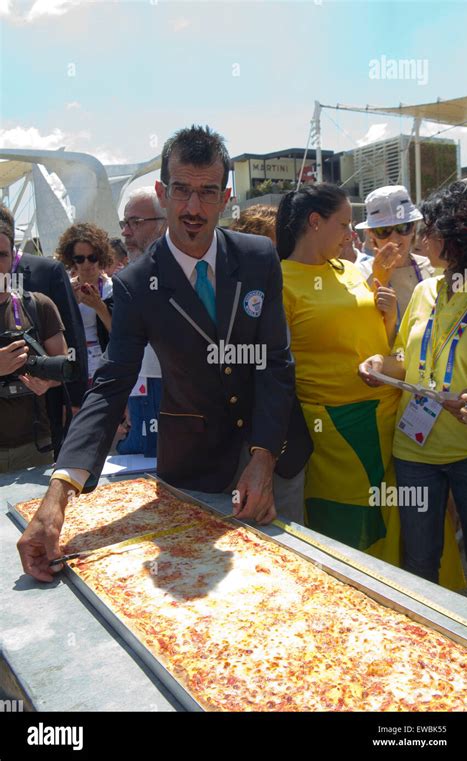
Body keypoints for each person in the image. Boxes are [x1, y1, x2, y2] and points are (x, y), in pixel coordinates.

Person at [17, 124, 312, 582]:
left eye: (207, 192)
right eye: (181, 191)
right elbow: (112, 383)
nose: (193, 208)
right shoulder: (137, 285)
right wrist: (58, 492)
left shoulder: (258, 257)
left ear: (225, 196)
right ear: (162, 190)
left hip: (274, 449)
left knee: (284, 583)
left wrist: (264, 457)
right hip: (195, 462)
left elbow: (274, 362)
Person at [359, 179, 467, 594]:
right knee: (419, 560)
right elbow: (409, 362)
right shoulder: (426, 290)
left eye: (428, 229)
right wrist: (381, 363)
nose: (418, 237)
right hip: (414, 451)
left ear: (457, 237)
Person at [276, 184, 401, 563]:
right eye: (344, 224)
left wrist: (390, 312)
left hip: (388, 421)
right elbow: (277, 368)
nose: (351, 235)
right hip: (334, 432)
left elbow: (375, 336)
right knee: (348, 533)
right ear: (315, 222)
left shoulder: (349, 270)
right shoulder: (280, 281)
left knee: (391, 526)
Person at [0, 204, 88, 458]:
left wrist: (72, 397)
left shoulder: (39, 295)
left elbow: (71, 339)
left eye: (2, 254)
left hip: (34, 434)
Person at [115, 188, 167, 457]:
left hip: (174, 393)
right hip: (139, 391)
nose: (126, 232)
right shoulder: (127, 280)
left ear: (163, 224)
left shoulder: (188, 273)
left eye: (136, 222)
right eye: (125, 223)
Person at [355, 186, 434, 321]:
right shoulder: (358, 275)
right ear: (371, 234)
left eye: (403, 227)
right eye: (384, 230)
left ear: (414, 228)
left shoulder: (432, 268)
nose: (394, 238)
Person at [55, 224, 114, 389]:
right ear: (71, 261)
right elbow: (56, 331)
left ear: (100, 256)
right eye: (79, 259)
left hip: (105, 360)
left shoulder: (113, 288)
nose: (87, 263)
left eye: (92, 257)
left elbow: (119, 332)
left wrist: (99, 306)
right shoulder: (65, 289)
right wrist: (70, 305)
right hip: (75, 361)